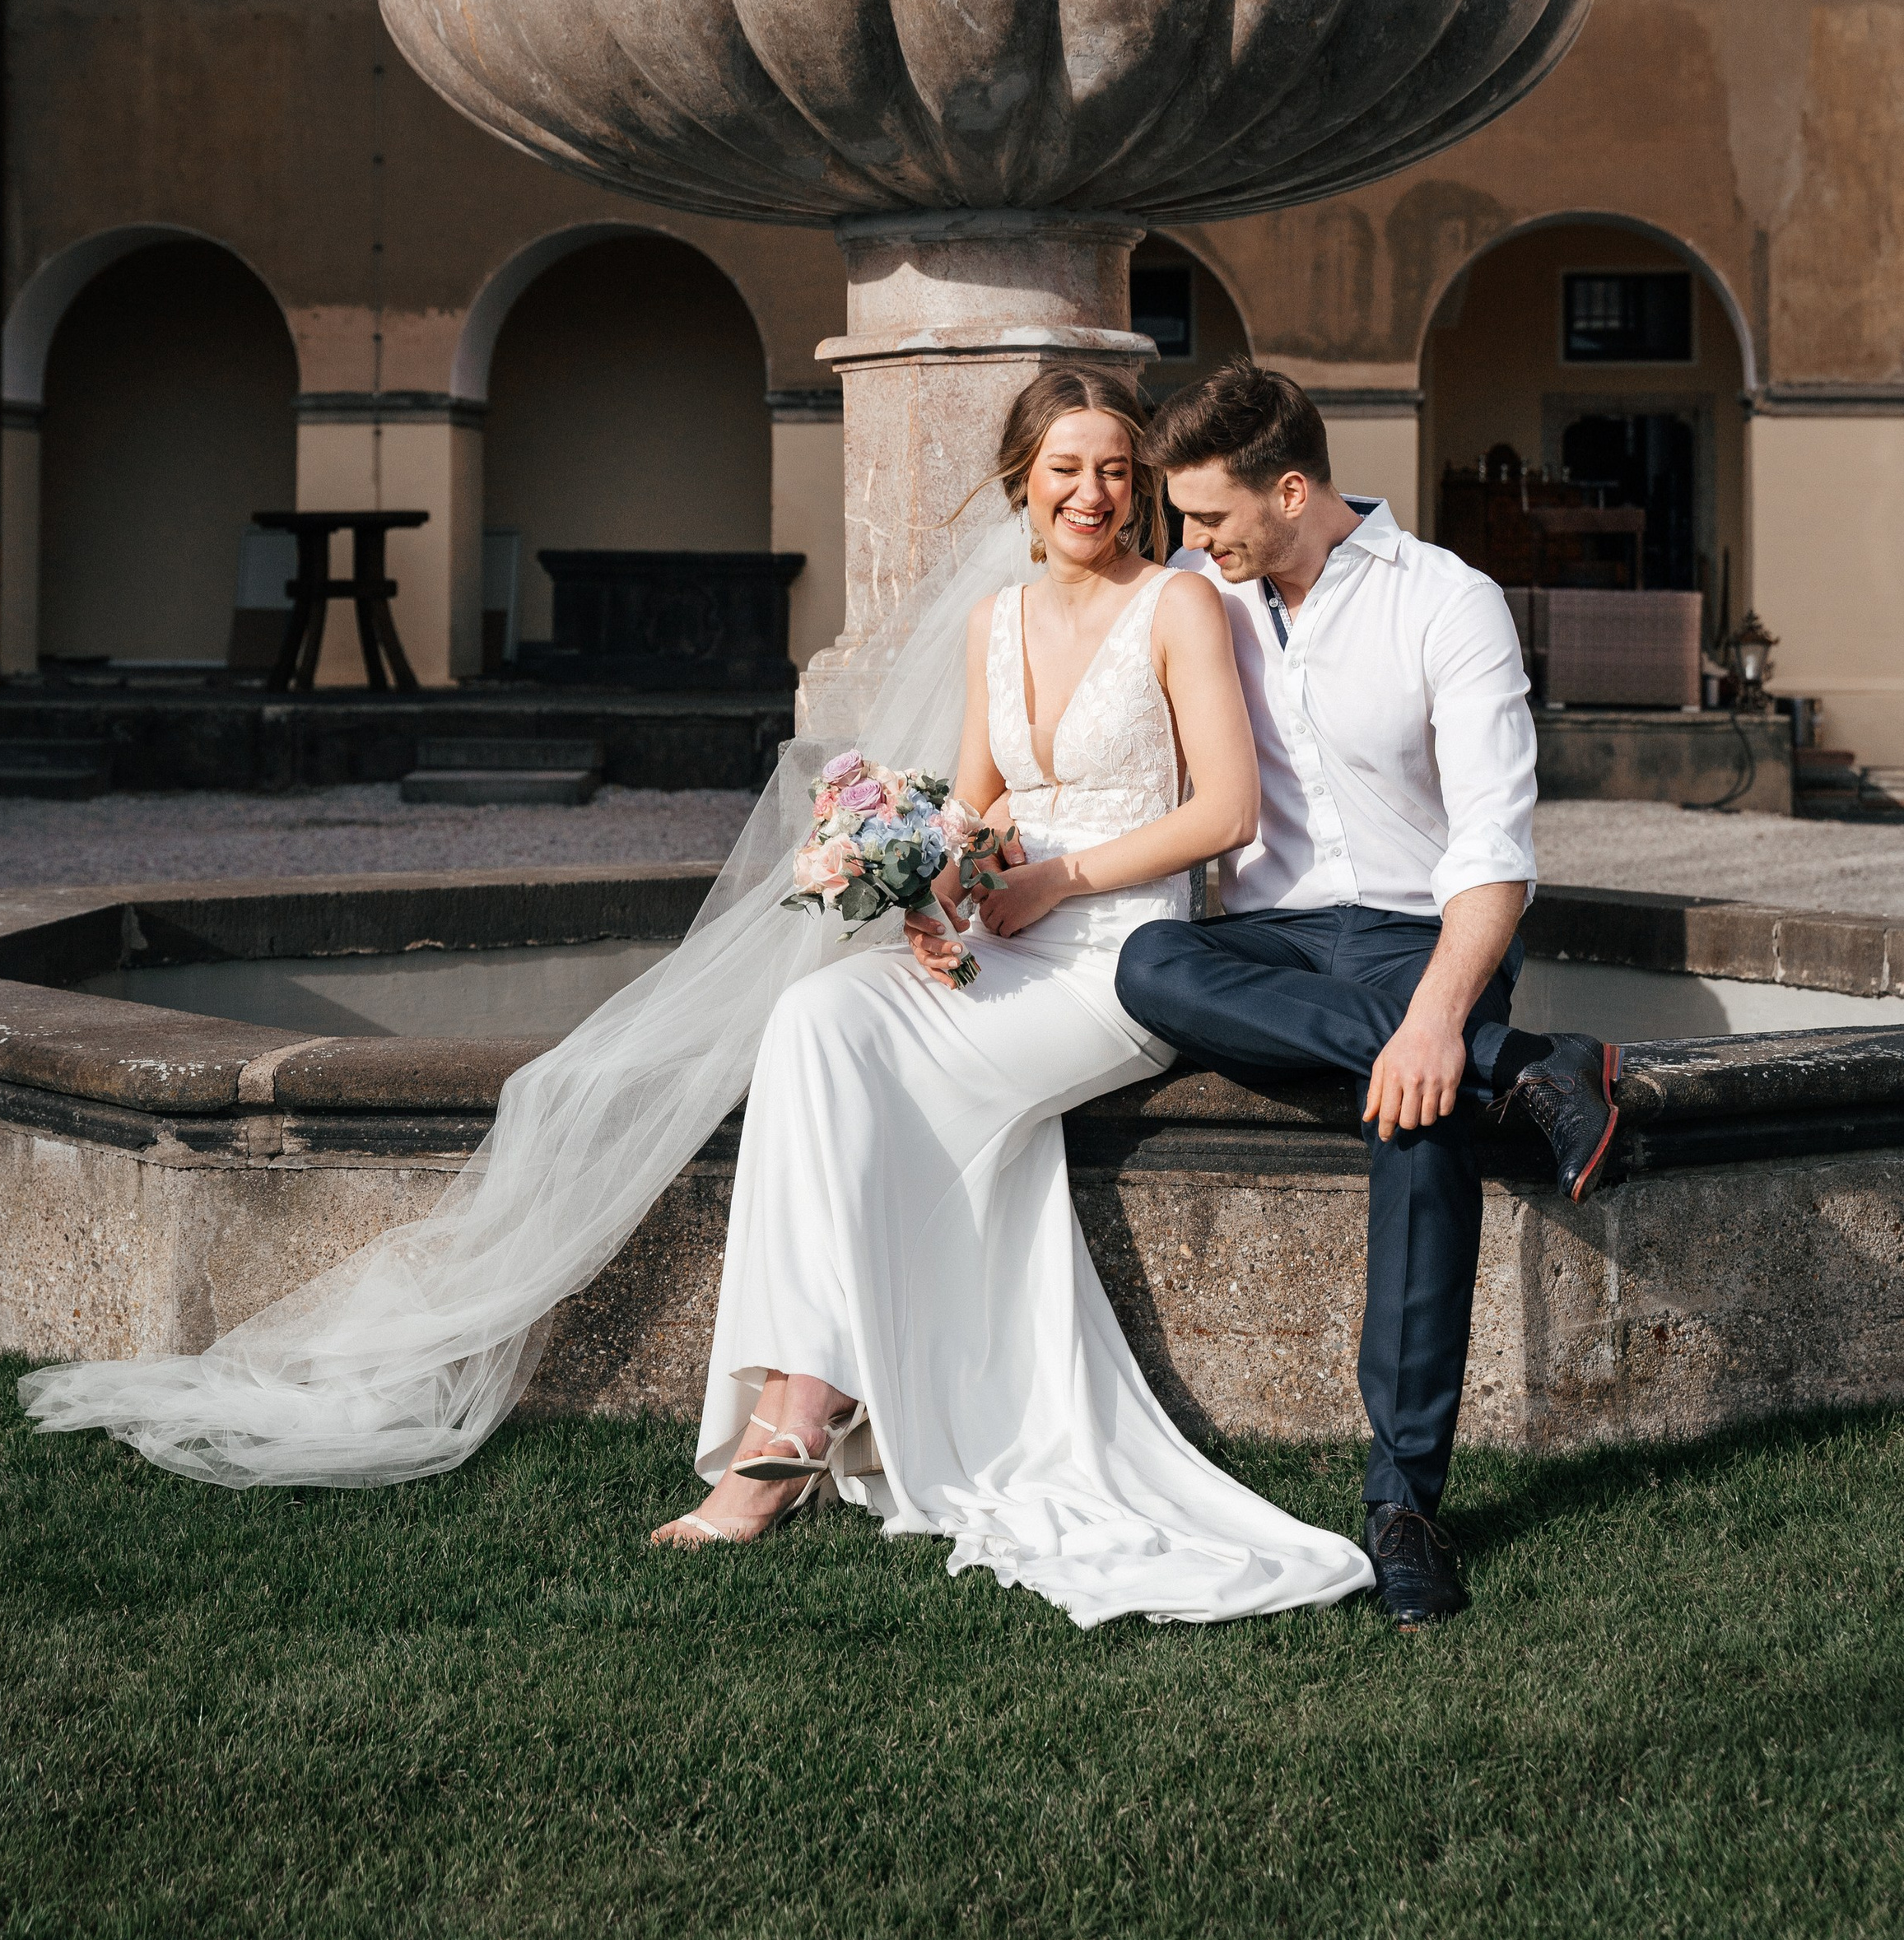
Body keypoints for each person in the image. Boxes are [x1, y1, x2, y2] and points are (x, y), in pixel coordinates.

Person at [650, 362, 1371, 1626]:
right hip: (1010, 931)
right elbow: (977, 812)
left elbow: (1226, 810)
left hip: (1122, 956)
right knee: (820, 1020)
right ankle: (805, 1392)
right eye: (1066, 469)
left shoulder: (1181, 605)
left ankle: (795, 1419)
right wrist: (930, 896)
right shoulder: (993, 620)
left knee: (876, 1070)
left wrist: (1059, 882)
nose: (1093, 493)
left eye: (1114, 469)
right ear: (1022, 482)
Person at [1115, 359, 1622, 1632]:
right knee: (1144, 965)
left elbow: (1497, 848)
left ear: (1294, 490)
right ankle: (1534, 1062)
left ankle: (1403, 1505)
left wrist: (1440, 1013)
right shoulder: (1195, 594)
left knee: (1419, 1112)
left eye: (1214, 517)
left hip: (1417, 931)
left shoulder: (1448, 601)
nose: (1191, 542)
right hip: (1271, 941)